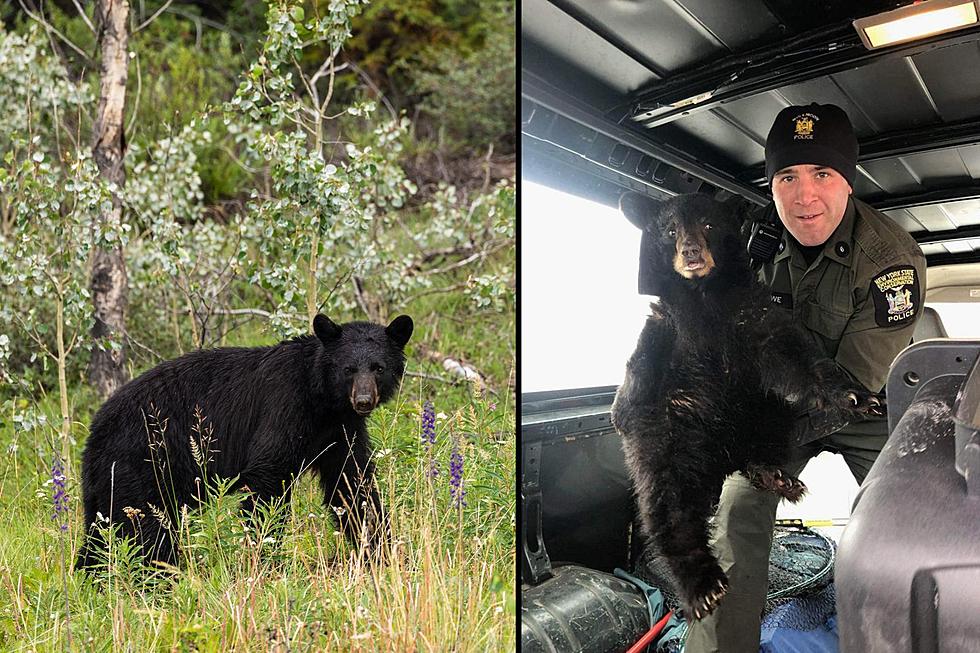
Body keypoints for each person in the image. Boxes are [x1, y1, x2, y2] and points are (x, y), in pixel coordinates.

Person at [682, 103, 927, 653]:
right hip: (780, 402)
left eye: (822, 174)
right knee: (736, 513)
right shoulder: (751, 246)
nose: (803, 195)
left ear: (848, 180)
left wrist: (752, 438)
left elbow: (851, 385)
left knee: (907, 510)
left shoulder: (890, 261)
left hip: (864, 404)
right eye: (786, 177)